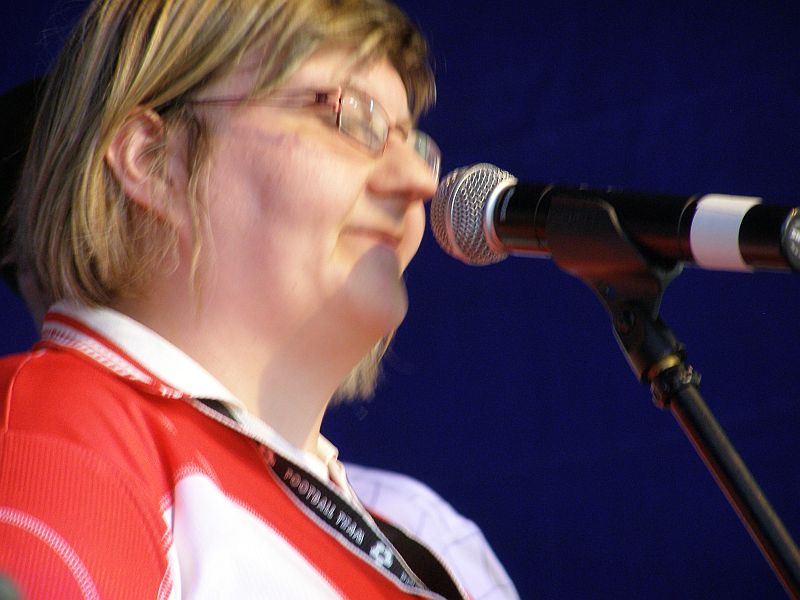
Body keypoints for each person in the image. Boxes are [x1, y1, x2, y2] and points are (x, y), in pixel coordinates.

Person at [0, 1, 519, 598]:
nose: (422, 182)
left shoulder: (421, 546)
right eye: (350, 117)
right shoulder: (62, 434)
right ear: (153, 161)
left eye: (415, 144)